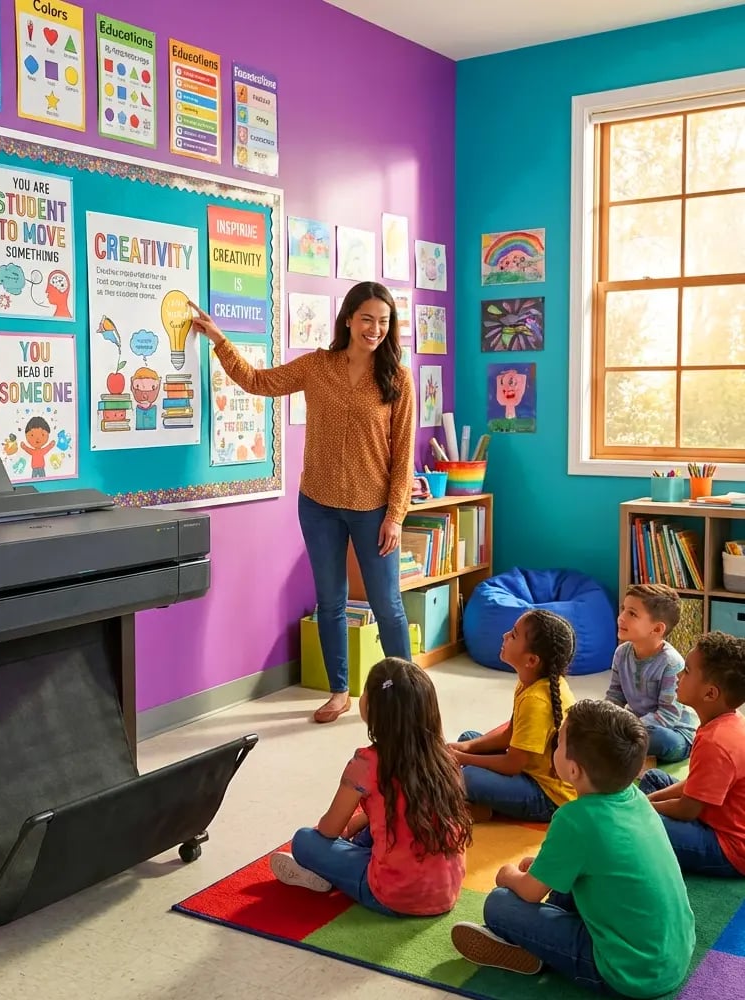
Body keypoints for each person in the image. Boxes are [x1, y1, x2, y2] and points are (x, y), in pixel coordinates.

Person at [188, 283, 414, 724]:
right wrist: (219, 340)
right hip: (319, 503)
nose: (375, 329)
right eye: (367, 319)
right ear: (348, 318)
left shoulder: (396, 378)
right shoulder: (318, 366)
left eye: (384, 322)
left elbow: (403, 454)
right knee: (330, 602)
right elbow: (258, 382)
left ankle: (407, 698)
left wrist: (396, 515)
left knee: (387, 605)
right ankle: (339, 691)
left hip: (373, 508)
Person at [451, 699, 695, 998]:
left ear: (574, 770)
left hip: (629, 974)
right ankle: (539, 942)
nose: (553, 747)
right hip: (674, 955)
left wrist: (507, 874)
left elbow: (528, 891)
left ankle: (535, 948)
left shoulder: (575, 819)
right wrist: (542, 869)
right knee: (563, 875)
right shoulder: (635, 797)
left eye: (559, 742)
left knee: (500, 902)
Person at [269, 657, 471, 915]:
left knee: (304, 841)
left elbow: (330, 829)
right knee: (372, 827)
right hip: (447, 891)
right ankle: (346, 862)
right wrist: (357, 823)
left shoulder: (366, 762)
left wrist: (338, 832)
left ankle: (329, 873)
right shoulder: (445, 758)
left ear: (373, 708)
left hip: (393, 895)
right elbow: (407, 806)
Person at [448, 609, 577, 822]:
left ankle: (484, 808)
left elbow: (512, 764)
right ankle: (482, 807)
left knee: (467, 776)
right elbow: (510, 734)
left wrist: (462, 758)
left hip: (547, 796)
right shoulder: (531, 682)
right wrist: (466, 748)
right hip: (526, 770)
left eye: (514, 635)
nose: (505, 636)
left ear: (532, 660)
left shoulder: (537, 699)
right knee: (468, 737)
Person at [639, 631, 745, 877]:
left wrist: (644, 809)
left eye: (686, 671)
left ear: (710, 694)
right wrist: (647, 803)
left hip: (728, 847)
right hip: (711, 814)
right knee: (655, 778)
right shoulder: (724, 721)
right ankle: (632, 820)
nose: (677, 676)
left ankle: (630, 829)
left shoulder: (717, 742)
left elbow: (688, 809)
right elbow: (694, 785)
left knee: (644, 824)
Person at [605, 583, 697, 763]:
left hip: (674, 733)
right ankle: (633, 753)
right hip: (636, 726)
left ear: (657, 629)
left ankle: (632, 752)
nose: (621, 617)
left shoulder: (671, 663)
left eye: (632, 613)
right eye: (623, 609)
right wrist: (605, 717)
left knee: (658, 738)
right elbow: (615, 695)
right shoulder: (621, 653)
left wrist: (626, 727)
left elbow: (668, 715)